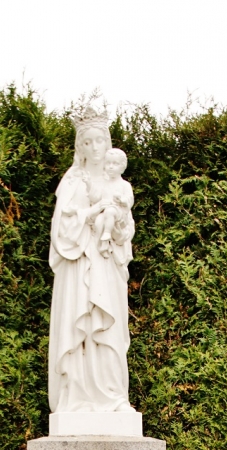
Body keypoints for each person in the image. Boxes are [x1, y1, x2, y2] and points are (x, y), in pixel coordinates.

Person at [48, 109, 137, 416]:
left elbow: (127, 232)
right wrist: (90, 215)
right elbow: (62, 230)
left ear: (107, 143)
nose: (95, 147)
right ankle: (77, 397)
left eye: (100, 140)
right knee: (80, 325)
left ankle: (113, 397)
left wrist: (118, 225)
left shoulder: (121, 185)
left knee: (108, 328)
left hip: (106, 262)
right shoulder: (72, 181)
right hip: (78, 263)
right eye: (88, 142)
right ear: (80, 147)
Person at [91, 148, 133, 257]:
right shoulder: (103, 184)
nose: (110, 166)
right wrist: (88, 186)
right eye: (108, 163)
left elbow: (129, 200)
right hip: (105, 214)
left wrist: (122, 200)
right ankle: (104, 246)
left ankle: (107, 233)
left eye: (115, 163)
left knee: (109, 212)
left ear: (122, 167)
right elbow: (96, 198)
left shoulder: (124, 185)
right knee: (99, 221)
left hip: (120, 216)